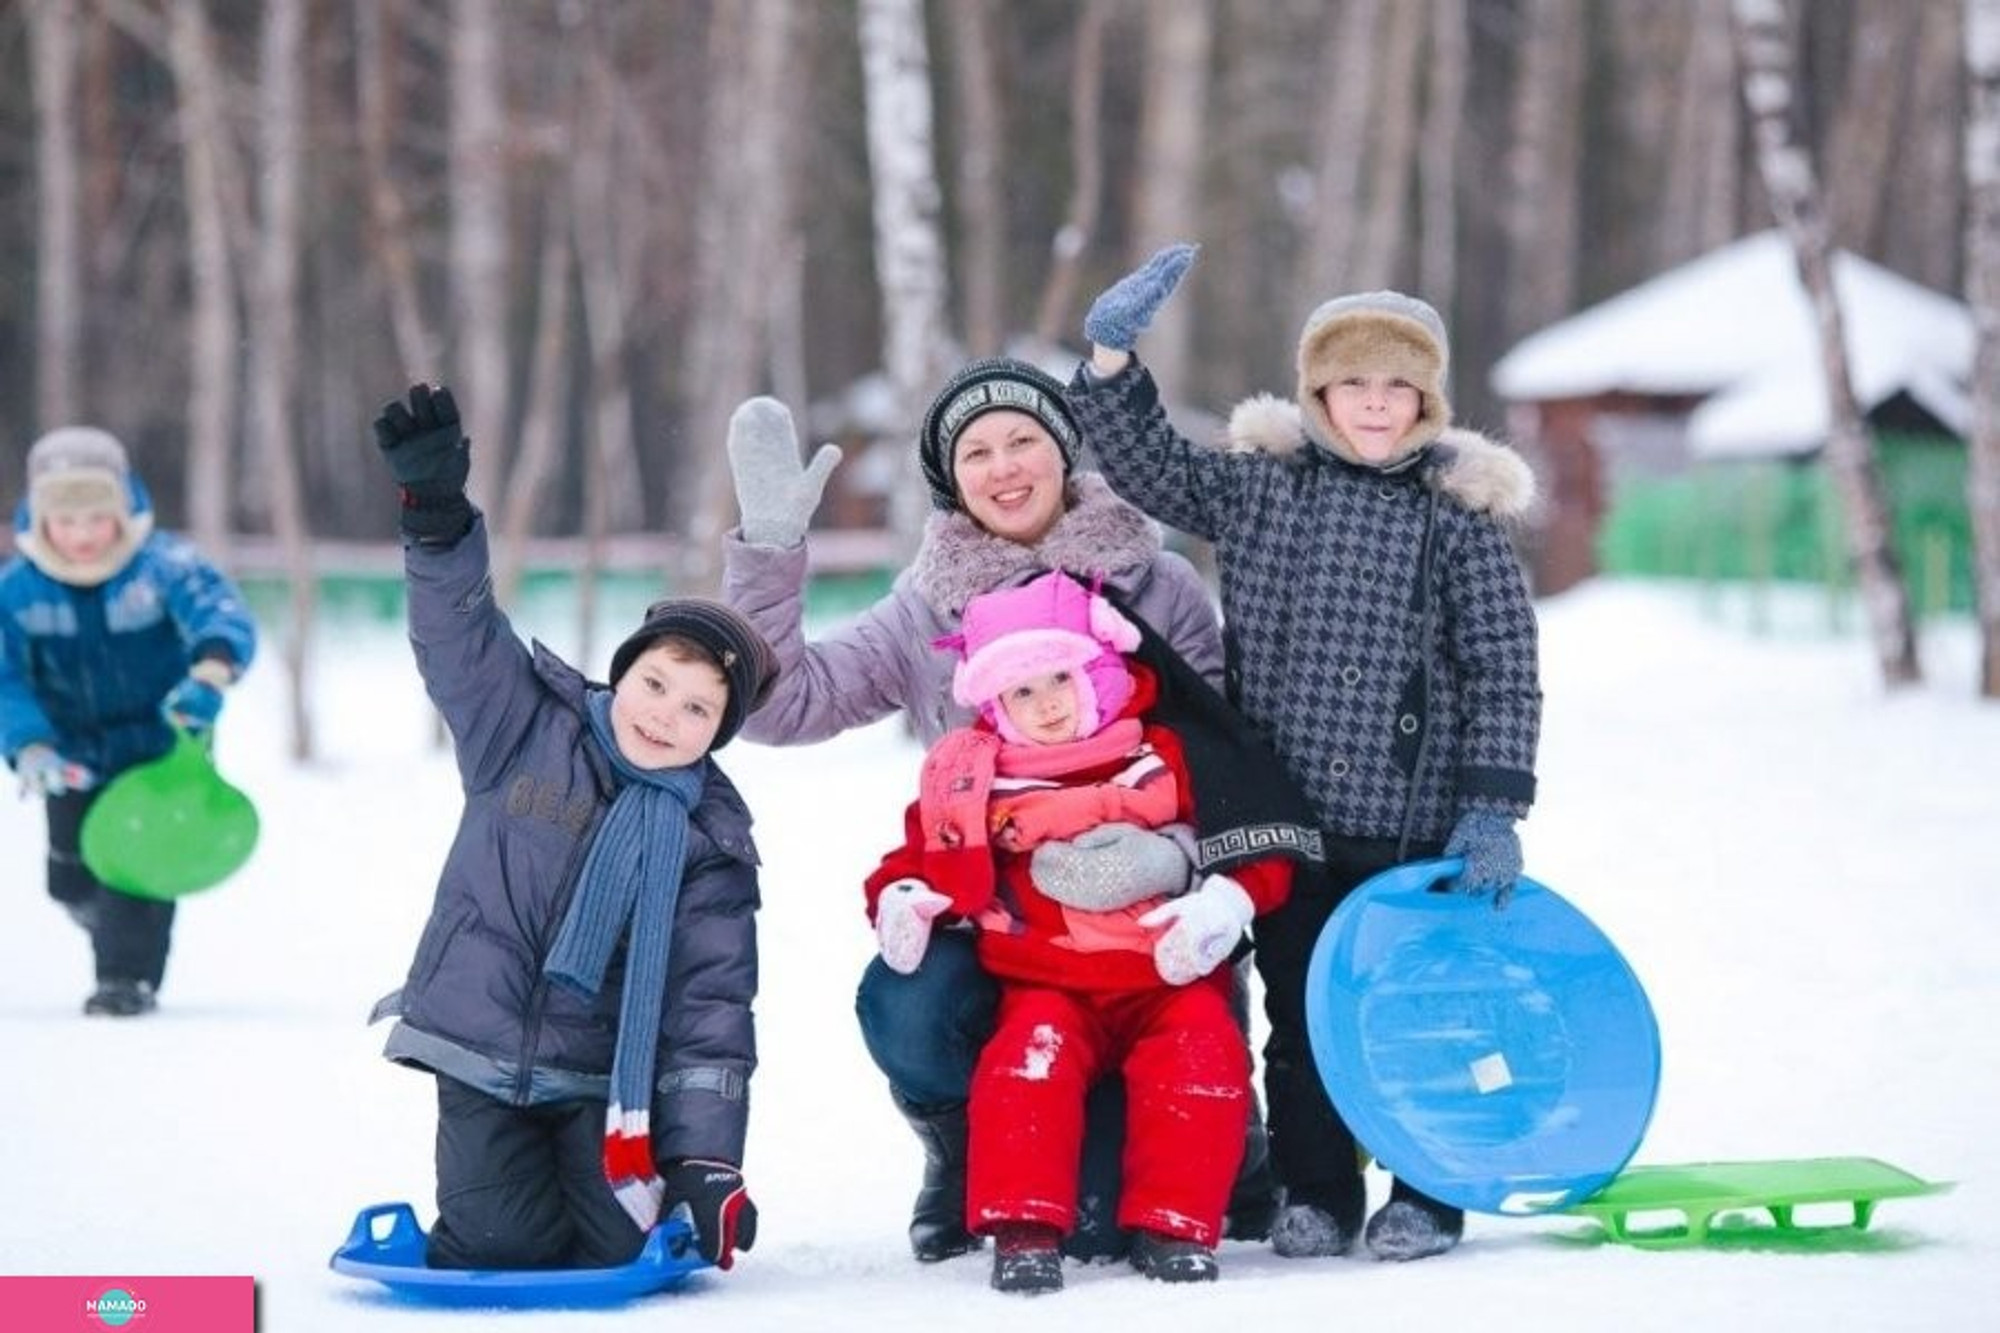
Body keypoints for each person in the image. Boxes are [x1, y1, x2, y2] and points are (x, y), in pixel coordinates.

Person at [719, 359, 1279, 1263]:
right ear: (951, 479)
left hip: (1146, 925)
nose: (1004, 465)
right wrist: (770, 555)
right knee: (906, 998)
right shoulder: (922, 610)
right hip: (1008, 928)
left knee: (1109, 1215)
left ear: (1063, 453)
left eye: (1023, 439)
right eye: (976, 451)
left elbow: (1221, 753)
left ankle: (1226, 1133)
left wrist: (1187, 869)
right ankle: (959, 1151)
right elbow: (783, 706)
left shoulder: (1155, 583)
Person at [1068, 245, 1543, 1263]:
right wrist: (1110, 359)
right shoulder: (1258, 486)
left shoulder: (1454, 522)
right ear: (1314, 391)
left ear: (1426, 400)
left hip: (1417, 823)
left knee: (1424, 1012)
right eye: (1349, 383)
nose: (1372, 405)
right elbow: (1147, 463)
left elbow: (1504, 667)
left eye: (1396, 386)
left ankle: (1426, 1188)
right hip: (1285, 819)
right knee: (1303, 1013)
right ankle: (1317, 1189)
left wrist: (1491, 808)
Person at [367, 383, 774, 1273]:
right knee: (503, 1244)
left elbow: (712, 1007)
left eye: (700, 708)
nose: (667, 715)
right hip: (477, 1051)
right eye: (658, 683)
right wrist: (437, 520)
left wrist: (705, 1163)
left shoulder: (709, 838)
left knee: (615, 1247)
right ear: (623, 672)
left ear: (718, 733)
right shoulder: (524, 726)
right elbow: (457, 634)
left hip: (600, 1082)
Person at [863, 569, 1299, 1293]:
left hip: (1167, 972)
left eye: (1059, 678)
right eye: (1021, 692)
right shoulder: (979, 775)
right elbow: (920, 854)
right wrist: (901, 895)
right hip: (1049, 979)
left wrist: (1222, 900)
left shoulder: (1162, 750)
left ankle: (1175, 1222)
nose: (1046, 705)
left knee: (1201, 1057)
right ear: (994, 702)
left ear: (1097, 669)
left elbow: (1258, 844)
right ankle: (1024, 1222)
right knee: (1027, 1064)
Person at [1, 426, 257, 1018]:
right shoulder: (18, 592)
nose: (84, 535)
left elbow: (217, 609)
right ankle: (116, 930)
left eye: (98, 519)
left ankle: (126, 979)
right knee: (69, 880)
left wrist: (212, 669)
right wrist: (29, 745)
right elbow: (5, 678)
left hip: (159, 750)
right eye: (68, 523)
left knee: (139, 869)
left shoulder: (162, 568)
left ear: (123, 510)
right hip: (70, 756)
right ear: (41, 522)